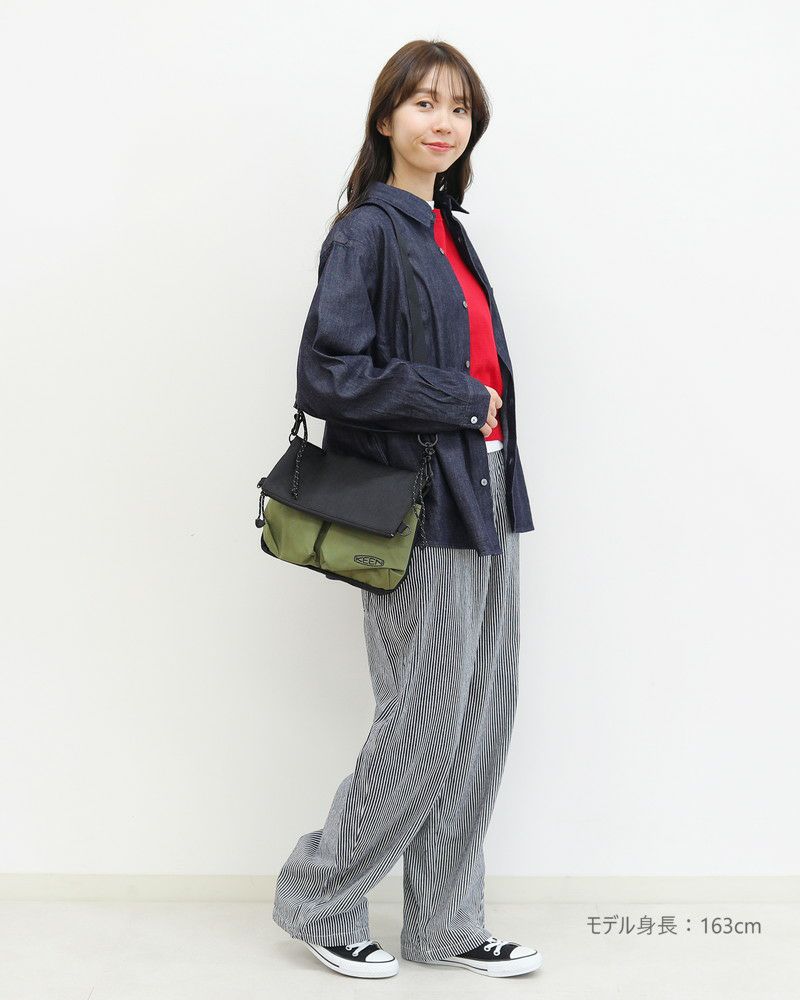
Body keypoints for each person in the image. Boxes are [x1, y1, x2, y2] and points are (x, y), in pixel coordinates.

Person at [272, 39, 541, 980]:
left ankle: (445, 923)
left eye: (459, 108)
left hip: (488, 492)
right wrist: (457, 399)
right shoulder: (368, 232)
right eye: (424, 103)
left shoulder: (447, 231)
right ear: (386, 118)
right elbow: (328, 374)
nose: (442, 121)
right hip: (420, 505)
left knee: (479, 714)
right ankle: (320, 898)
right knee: (424, 719)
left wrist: (484, 429)